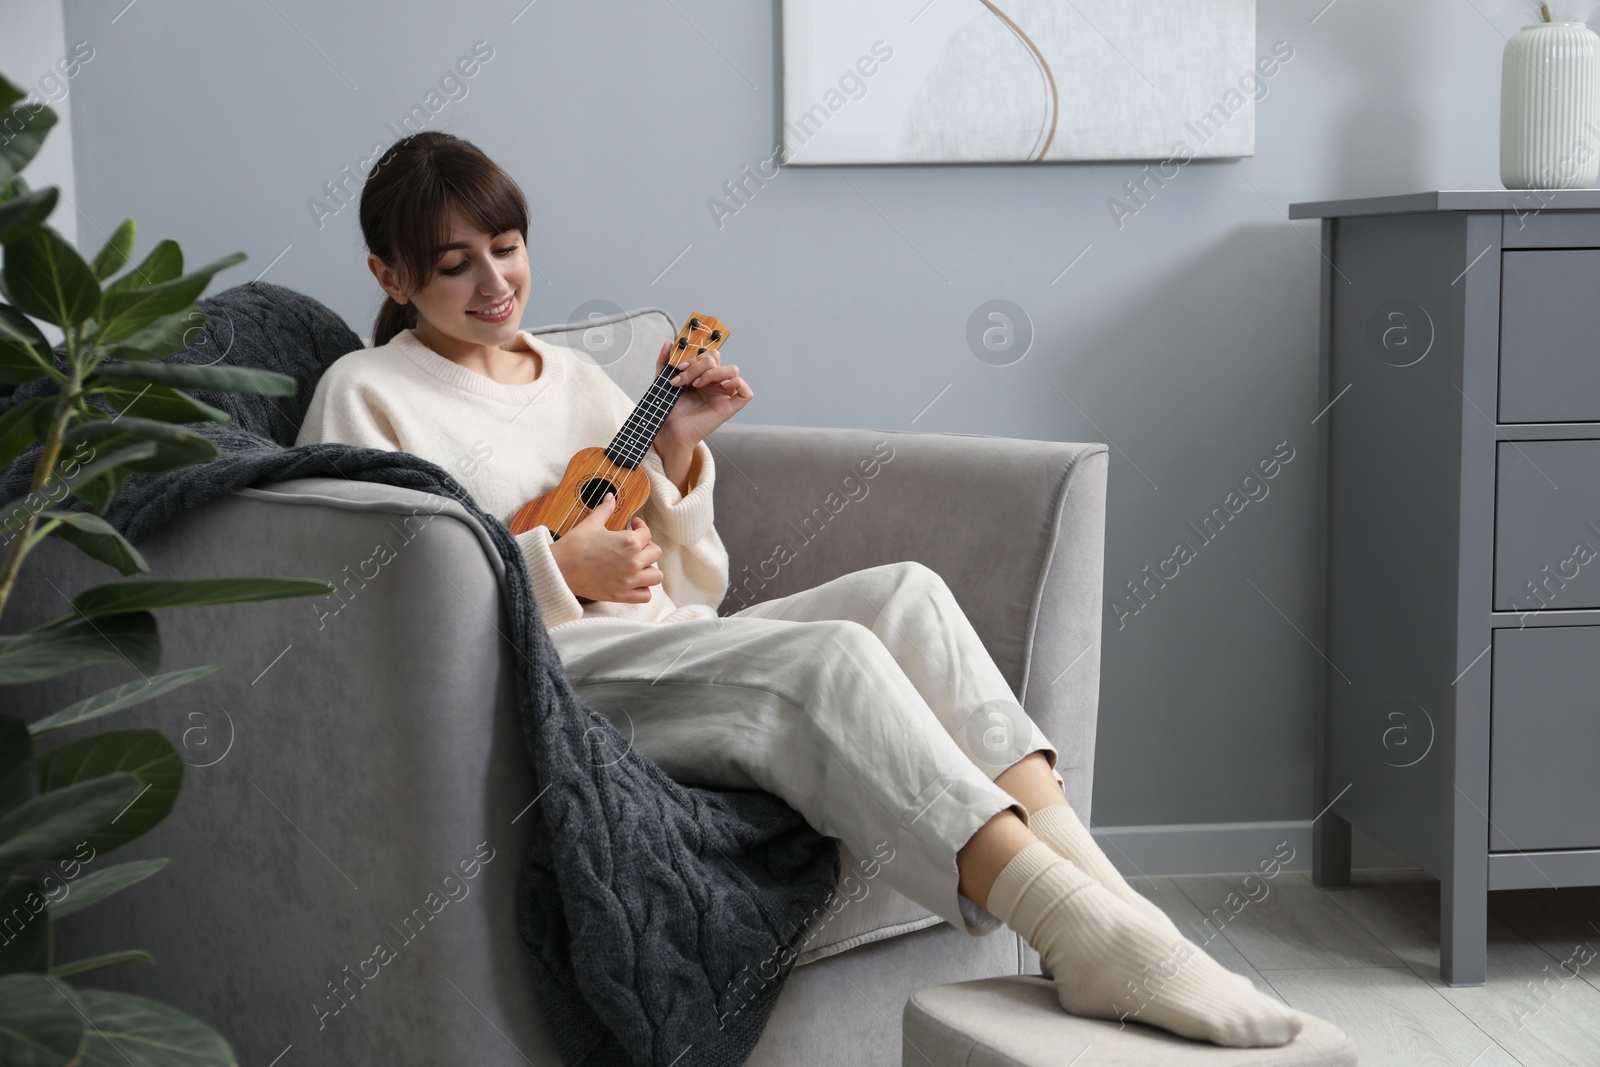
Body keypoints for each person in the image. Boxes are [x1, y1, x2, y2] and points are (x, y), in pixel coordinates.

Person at [294, 130, 1304, 1049]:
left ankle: (1118, 902)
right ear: (391, 274)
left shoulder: (575, 379)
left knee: (904, 590)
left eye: (505, 247)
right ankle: (1080, 932)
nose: (492, 282)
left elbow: (698, 582)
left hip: (663, 644)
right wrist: (559, 570)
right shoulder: (366, 389)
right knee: (825, 656)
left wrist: (681, 458)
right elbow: (377, 586)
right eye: (453, 264)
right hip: (554, 676)